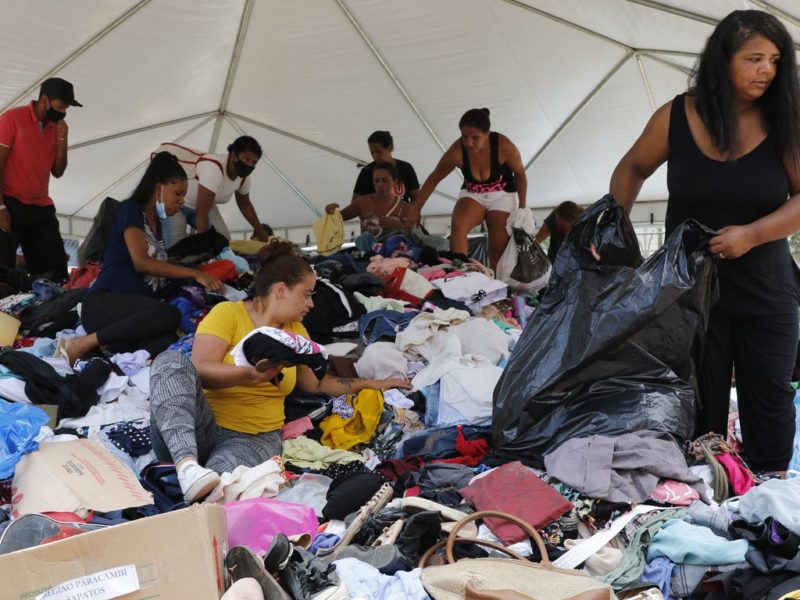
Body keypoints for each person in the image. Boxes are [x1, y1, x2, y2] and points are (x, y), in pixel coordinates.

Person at [609, 10, 800, 475]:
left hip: (767, 290)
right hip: (691, 292)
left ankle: (769, 498)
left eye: (775, 60)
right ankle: (703, 498)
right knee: (697, 402)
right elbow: (632, 167)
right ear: (722, 60)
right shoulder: (678, 114)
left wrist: (752, 235)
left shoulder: (786, 119)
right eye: (755, 58)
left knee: (769, 396)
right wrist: (611, 224)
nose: (767, 71)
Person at [149, 240, 411, 502]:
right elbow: (201, 370)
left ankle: (192, 484)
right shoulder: (228, 313)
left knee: (216, 492)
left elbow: (317, 386)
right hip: (200, 428)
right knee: (169, 361)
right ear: (282, 290)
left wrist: (369, 383)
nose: (311, 304)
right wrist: (249, 374)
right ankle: (186, 467)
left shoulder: (297, 333)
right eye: (306, 294)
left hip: (252, 439)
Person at [62, 152, 223, 363]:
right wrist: (194, 273)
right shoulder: (130, 211)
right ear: (158, 188)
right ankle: (82, 343)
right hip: (105, 304)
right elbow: (142, 262)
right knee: (169, 314)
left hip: (131, 314)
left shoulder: (157, 226)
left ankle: (102, 355)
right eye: (177, 193)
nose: (182, 201)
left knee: (167, 339)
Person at [412, 108, 527, 269]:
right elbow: (433, 179)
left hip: (503, 195)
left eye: (475, 138)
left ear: (488, 134)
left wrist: (522, 208)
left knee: (498, 245)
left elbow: (520, 174)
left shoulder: (504, 147)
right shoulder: (456, 151)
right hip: (473, 194)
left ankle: (499, 286)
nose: (468, 142)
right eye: (464, 136)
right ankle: (460, 274)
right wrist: (416, 209)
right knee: (458, 224)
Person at [0, 77, 82, 282]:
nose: (63, 112)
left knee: (54, 272)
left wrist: (64, 140)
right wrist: (0, 207)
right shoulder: (12, 118)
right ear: (45, 99)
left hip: (40, 205)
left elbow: (58, 171)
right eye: (61, 105)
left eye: (66, 108)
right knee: (3, 268)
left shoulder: (56, 129)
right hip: (10, 201)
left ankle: (46, 310)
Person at [162, 136, 271, 248]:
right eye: (246, 159)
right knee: (176, 248)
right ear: (234, 156)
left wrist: (260, 231)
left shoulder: (243, 178)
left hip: (206, 206)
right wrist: (204, 245)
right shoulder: (214, 167)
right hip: (177, 205)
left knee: (224, 242)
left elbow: (245, 204)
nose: (249, 165)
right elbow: (202, 213)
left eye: (254, 163)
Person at [326, 162, 417, 252]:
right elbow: (337, 218)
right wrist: (331, 211)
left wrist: (398, 225)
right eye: (376, 180)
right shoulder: (363, 202)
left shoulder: (405, 208)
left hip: (396, 258)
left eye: (385, 180)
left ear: (395, 182)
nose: (380, 184)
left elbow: (416, 237)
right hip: (368, 259)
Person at [353, 130, 420, 205]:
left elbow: (417, 197)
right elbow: (355, 202)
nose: (375, 156)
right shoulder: (366, 172)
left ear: (390, 148)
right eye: (372, 152)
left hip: (402, 216)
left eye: (379, 152)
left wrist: (406, 213)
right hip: (375, 216)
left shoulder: (406, 168)